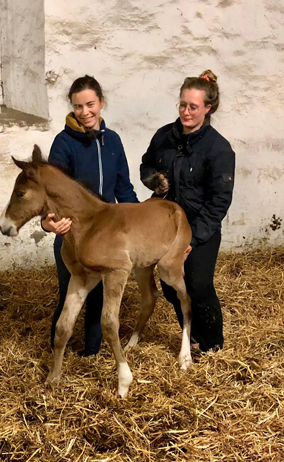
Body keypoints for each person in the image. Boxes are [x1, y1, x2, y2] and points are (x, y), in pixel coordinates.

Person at [41, 75, 138, 356]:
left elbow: (124, 188)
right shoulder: (64, 143)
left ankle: (91, 354)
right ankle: (57, 352)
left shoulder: (114, 141)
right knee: (70, 294)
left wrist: (138, 219)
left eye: (90, 104)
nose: (85, 112)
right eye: (78, 106)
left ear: (102, 103)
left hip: (107, 235)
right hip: (73, 234)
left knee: (100, 297)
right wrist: (49, 222)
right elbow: (52, 191)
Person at [140, 70, 235, 352]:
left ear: (208, 108)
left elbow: (219, 201)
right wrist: (152, 180)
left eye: (193, 107)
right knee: (170, 286)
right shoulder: (164, 137)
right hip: (165, 226)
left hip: (198, 228)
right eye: (182, 105)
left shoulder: (218, 149)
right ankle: (190, 335)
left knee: (198, 284)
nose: (186, 112)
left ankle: (212, 344)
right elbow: (146, 165)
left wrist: (194, 240)